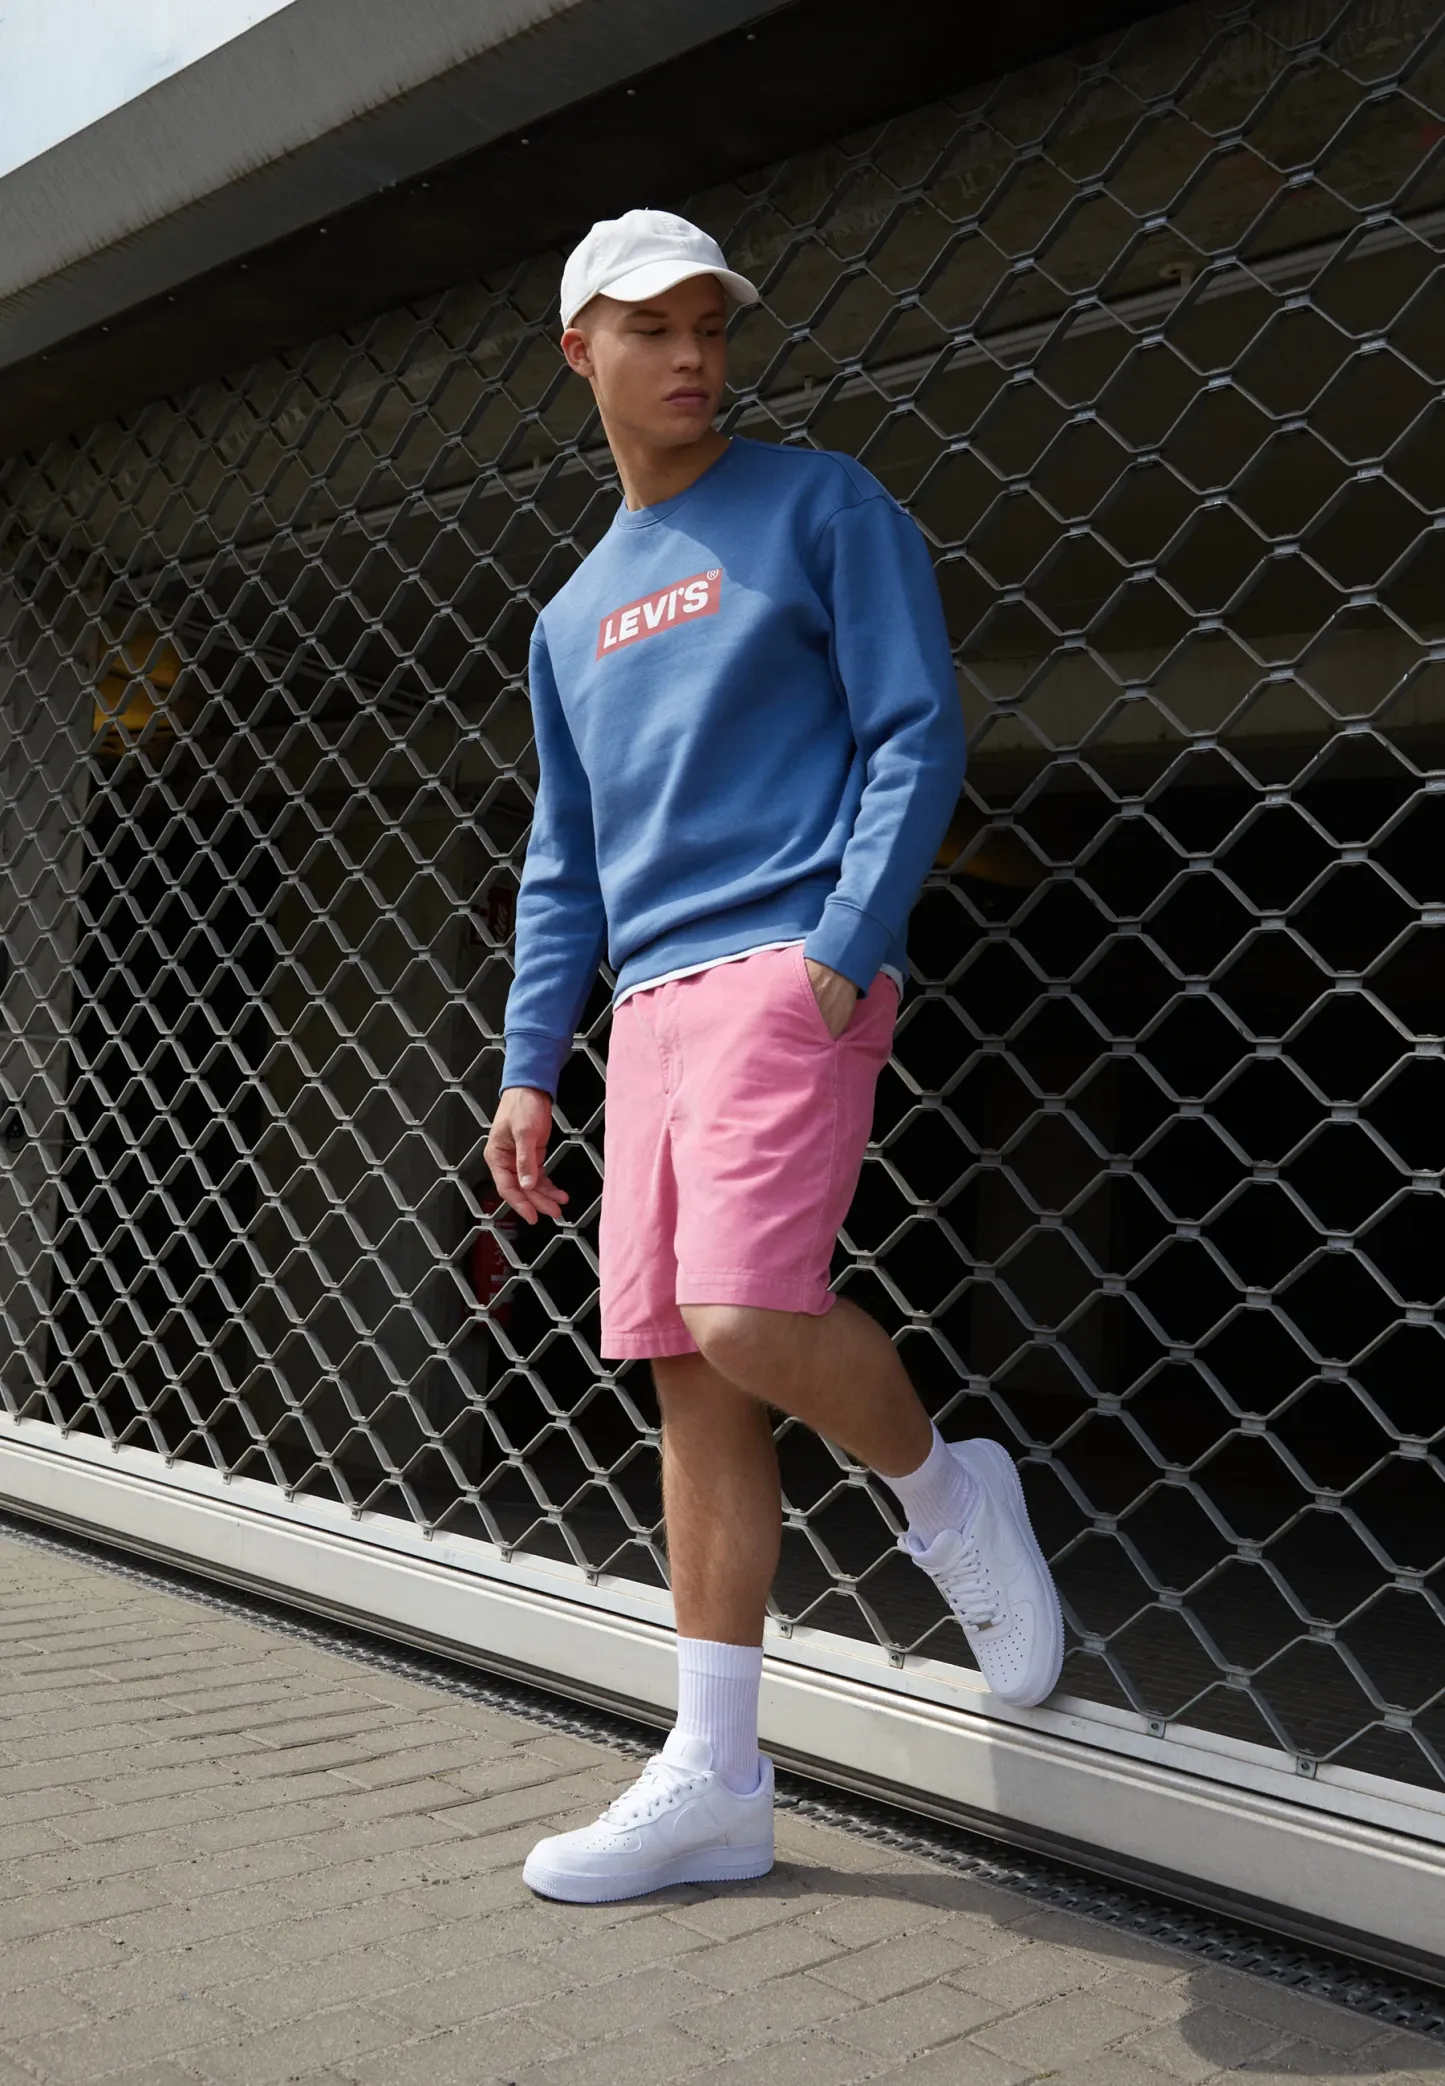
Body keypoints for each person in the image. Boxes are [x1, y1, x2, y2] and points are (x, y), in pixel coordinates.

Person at [484, 208, 1064, 1906]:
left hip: (782, 967)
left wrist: (843, 944)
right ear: (580, 350)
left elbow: (914, 728)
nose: (693, 355)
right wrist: (532, 1063)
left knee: (743, 1312)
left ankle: (949, 1496)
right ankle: (719, 1776)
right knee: (690, 1371)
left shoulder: (822, 505)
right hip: (648, 1007)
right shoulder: (568, 618)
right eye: (652, 328)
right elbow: (561, 861)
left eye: (711, 325)